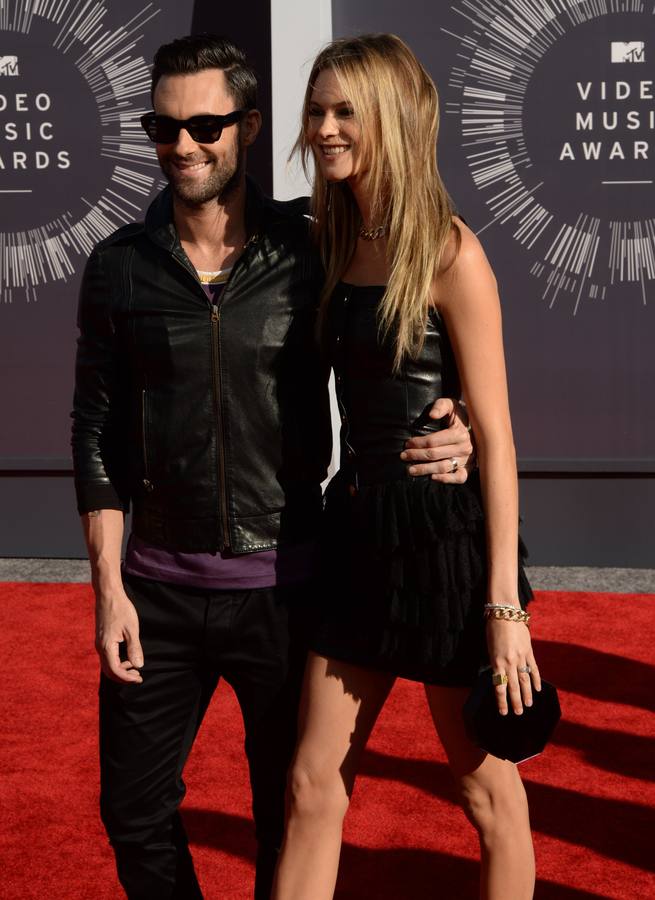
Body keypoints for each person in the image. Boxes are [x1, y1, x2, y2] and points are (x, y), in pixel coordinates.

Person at [71, 34, 474, 900]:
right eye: (164, 126)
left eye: (207, 124)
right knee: (132, 814)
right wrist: (108, 587)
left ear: (248, 127)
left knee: (281, 814)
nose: (184, 145)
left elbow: (390, 347)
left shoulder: (310, 244)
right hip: (157, 593)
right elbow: (93, 431)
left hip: (288, 588)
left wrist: (458, 419)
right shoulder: (117, 269)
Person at [272, 34, 540, 900]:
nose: (324, 127)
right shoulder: (329, 239)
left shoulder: (451, 253)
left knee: (485, 790)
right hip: (357, 534)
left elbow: (495, 438)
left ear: (390, 115)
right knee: (312, 785)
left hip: (442, 552)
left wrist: (504, 608)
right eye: (316, 111)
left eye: (345, 110)